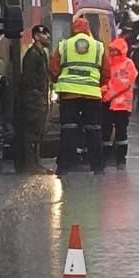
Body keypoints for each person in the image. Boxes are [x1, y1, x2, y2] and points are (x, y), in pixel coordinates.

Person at [50, 17, 106, 175]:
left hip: (69, 95)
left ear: (73, 29)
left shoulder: (64, 45)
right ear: (88, 29)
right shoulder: (98, 47)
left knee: (68, 130)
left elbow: (53, 69)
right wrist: (95, 84)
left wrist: (60, 81)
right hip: (92, 95)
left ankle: (65, 166)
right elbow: (106, 72)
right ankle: (98, 166)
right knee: (94, 130)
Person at [16, 25, 53, 173]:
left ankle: (36, 163)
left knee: (39, 132)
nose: (47, 37)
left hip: (40, 98)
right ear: (37, 36)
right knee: (32, 132)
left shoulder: (41, 53)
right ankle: (31, 164)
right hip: (33, 100)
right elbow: (28, 79)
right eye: (44, 34)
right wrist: (35, 95)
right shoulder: (33, 55)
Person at [101, 35, 137, 169]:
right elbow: (104, 80)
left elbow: (124, 83)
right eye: (110, 50)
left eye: (114, 50)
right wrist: (102, 91)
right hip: (107, 104)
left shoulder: (128, 64)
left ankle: (121, 159)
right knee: (105, 131)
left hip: (121, 105)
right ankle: (105, 157)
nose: (111, 53)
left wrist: (107, 94)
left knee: (121, 132)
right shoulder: (107, 64)